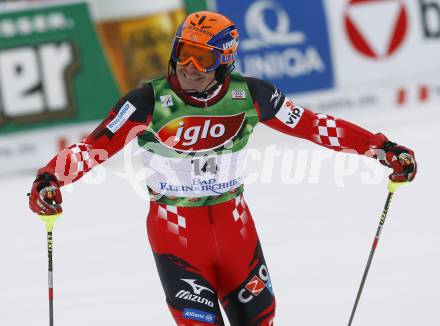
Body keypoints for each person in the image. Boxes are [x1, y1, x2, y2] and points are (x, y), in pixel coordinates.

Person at [29, 11, 417, 326]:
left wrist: (381, 149)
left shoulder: (251, 95)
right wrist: (51, 178)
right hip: (177, 237)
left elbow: (316, 126)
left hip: (236, 232)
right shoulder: (147, 102)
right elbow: (92, 148)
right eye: (183, 52)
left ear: (225, 61)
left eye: (205, 58)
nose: (190, 67)